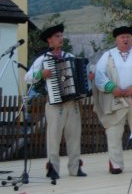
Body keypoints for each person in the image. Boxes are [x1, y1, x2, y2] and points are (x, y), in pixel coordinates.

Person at [25, 24, 87, 180]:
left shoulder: (70, 57)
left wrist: (87, 80)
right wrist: (41, 73)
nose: (61, 38)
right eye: (57, 36)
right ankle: (53, 168)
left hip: (72, 103)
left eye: (61, 36)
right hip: (54, 104)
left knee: (74, 136)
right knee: (53, 137)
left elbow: (80, 75)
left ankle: (75, 168)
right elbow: (27, 78)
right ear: (50, 41)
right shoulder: (43, 59)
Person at [94, 26, 132, 174]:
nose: (125, 39)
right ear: (116, 39)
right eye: (122, 37)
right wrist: (112, 88)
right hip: (115, 98)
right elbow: (99, 74)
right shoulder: (107, 55)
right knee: (114, 131)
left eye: (128, 36)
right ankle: (116, 164)